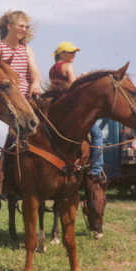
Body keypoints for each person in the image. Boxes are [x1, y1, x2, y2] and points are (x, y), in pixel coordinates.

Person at [0, 10, 43, 194]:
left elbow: (34, 71)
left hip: (26, 102)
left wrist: (36, 83)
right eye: (21, 26)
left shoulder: (26, 49)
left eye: (26, 27)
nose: (24, 29)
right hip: (5, 105)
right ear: (9, 26)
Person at [49, 41, 105, 179]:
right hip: (72, 109)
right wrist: (84, 79)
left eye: (74, 52)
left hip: (58, 108)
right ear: (61, 54)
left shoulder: (53, 68)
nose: (74, 54)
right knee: (97, 134)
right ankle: (96, 169)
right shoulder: (68, 66)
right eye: (70, 52)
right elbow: (75, 89)